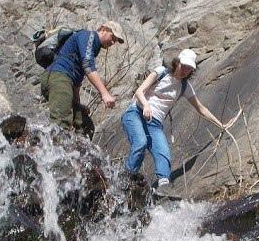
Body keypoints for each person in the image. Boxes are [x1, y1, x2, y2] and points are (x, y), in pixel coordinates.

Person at [121, 48, 237, 195]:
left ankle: (163, 186)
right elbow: (139, 91)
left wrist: (221, 125)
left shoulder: (185, 87)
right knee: (140, 142)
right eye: (184, 66)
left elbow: (200, 108)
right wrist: (146, 104)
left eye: (189, 69)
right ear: (177, 63)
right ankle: (125, 180)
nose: (185, 71)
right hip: (136, 113)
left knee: (163, 153)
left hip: (154, 123)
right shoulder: (161, 72)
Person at [41, 21, 126, 135]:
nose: (113, 42)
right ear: (103, 29)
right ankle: (48, 150)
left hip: (64, 82)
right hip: (58, 77)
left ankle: (77, 151)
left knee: (85, 126)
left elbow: (76, 81)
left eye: (115, 40)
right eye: (113, 37)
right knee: (60, 124)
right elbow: (88, 66)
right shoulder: (88, 36)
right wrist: (104, 94)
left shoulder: (93, 47)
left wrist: (78, 105)